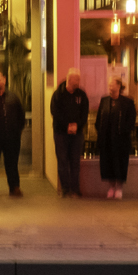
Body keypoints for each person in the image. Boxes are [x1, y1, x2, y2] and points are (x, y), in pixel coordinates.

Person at [94, 73, 137, 199]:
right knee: (107, 163)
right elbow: (98, 119)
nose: (110, 87)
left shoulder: (127, 102)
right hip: (106, 139)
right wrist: (100, 132)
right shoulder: (104, 100)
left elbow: (131, 121)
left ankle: (119, 187)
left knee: (120, 162)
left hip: (120, 140)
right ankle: (111, 186)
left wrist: (124, 132)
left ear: (119, 86)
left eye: (112, 84)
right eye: (109, 85)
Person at [49, 68, 91, 198]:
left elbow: (84, 113)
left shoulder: (81, 95)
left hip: (77, 134)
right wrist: (67, 125)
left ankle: (75, 189)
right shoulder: (58, 94)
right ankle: (65, 189)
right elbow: (55, 113)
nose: (78, 82)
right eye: (76, 80)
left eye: (78, 80)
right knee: (62, 161)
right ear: (69, 80)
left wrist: (77, 126)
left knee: (75, 162)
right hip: (61, 133)